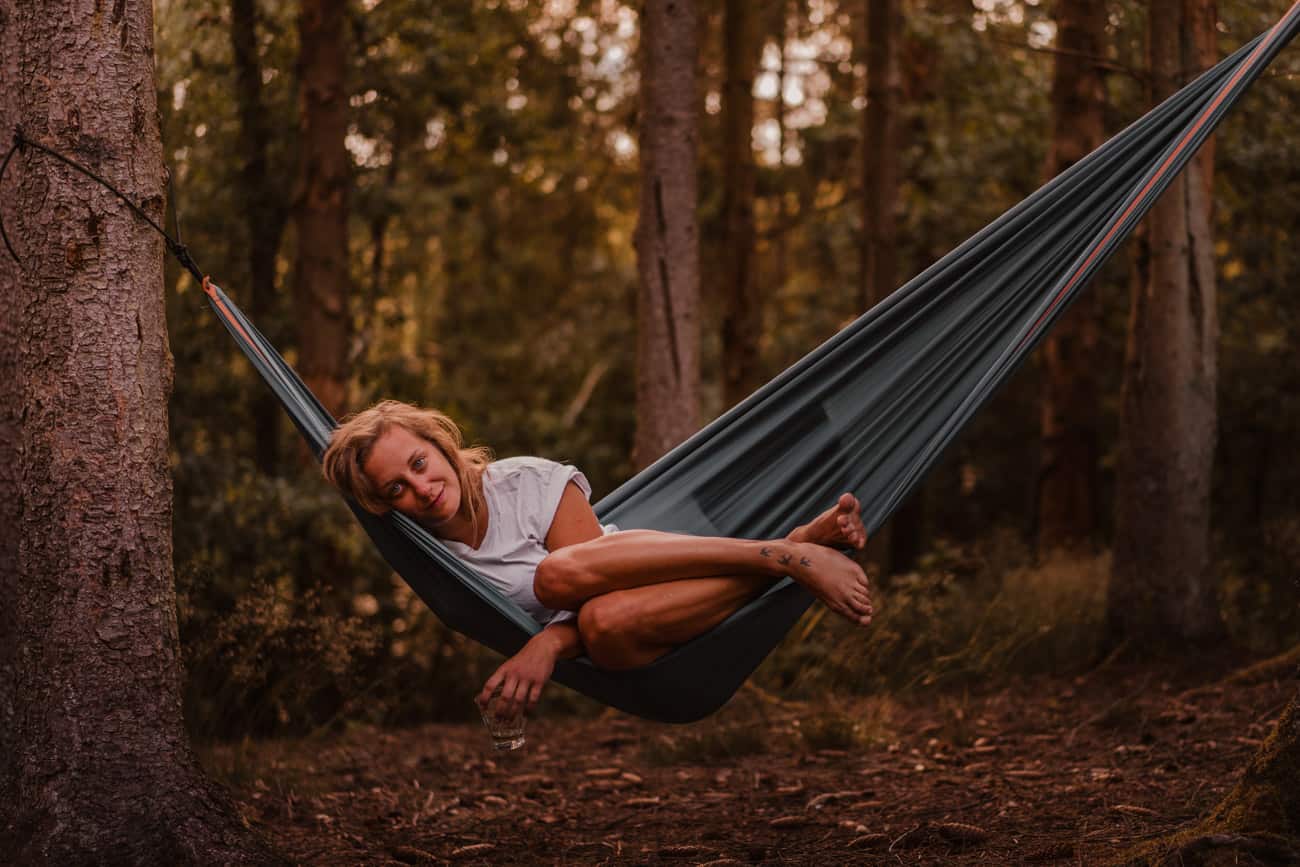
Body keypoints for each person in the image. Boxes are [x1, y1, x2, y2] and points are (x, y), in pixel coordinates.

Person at [322, 400, 873, 718]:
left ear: (441, 443)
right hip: (621, 639)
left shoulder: (528, 483)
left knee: (559, 576)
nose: (421, 487)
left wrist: (544, 643)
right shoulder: (433, 559)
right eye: (396, 489)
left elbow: (587, 582)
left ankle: (780, 555)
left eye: (420, 462)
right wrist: (551, 642)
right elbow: (595, 616)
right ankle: (798, 546)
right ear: (383, 506)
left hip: (669, 584)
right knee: (602, 623)